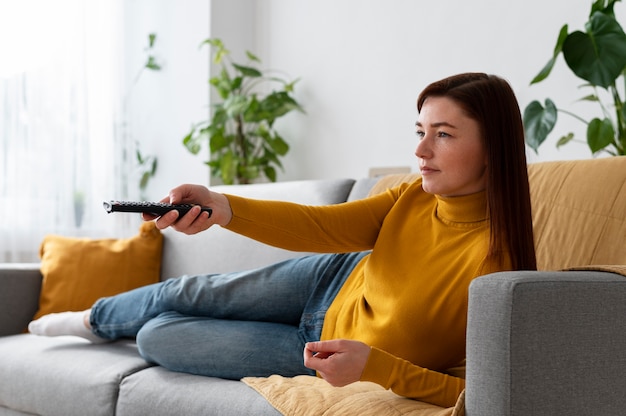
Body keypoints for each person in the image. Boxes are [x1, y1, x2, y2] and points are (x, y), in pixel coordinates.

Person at [28, 72, 536, 408]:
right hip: (334, 277)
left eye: (443, 134)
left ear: (494, 146)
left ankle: (117, 326)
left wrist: (378, 368)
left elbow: (487, 396)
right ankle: (89, 320)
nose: (421, 149)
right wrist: (222, 206)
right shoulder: (411, 195)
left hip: (315, 350)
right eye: (420, 130)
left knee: (156, 336)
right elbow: (324, 227)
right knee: (186, 290)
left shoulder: (500, 270)